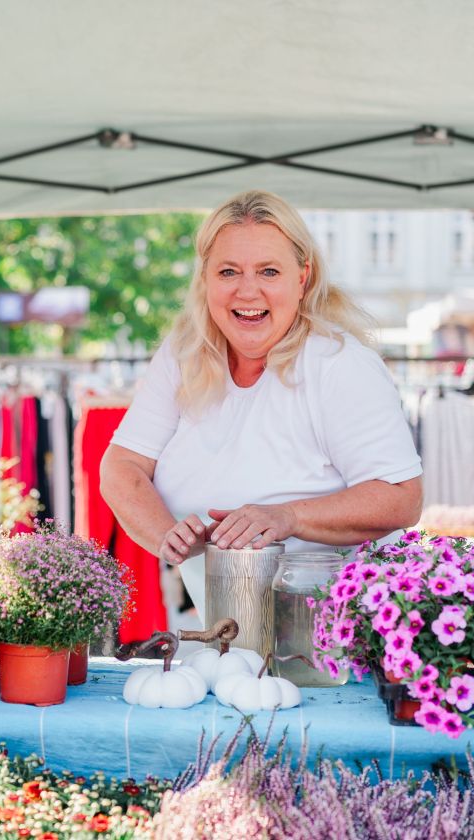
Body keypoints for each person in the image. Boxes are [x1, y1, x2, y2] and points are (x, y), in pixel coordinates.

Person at [99, 190, 423, 615]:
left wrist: (286, 517)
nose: (247, 292)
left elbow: (402, 497)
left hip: (334, 643)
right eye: (228, 271)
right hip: (226, 633)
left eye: (269, 272)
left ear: (302, 278)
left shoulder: (339, 364)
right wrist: (168, 534)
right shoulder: (184, 355)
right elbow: (121, 467)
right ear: (205, 279)